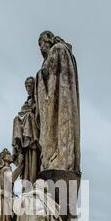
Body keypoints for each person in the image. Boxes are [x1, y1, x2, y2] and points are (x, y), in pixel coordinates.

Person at [35, 30, 80, 172]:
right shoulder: (58, 52)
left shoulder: (58, 49)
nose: (41, 48)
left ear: (48, 40)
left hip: (59, 100)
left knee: (60, 128)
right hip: (55, 100)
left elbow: (54, 78)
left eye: (41, 43)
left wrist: (41, 75)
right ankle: (55, 157)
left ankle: (59, 157)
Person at [12, 76, 40, 185]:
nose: (28, 88)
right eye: (27, 86)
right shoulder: (26, 101)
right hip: (25, 137)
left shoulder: (38, 100)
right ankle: (19, 144)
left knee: (32, 159)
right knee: (16, 119)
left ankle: (32, 181)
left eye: (30, 85)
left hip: (33, 136)